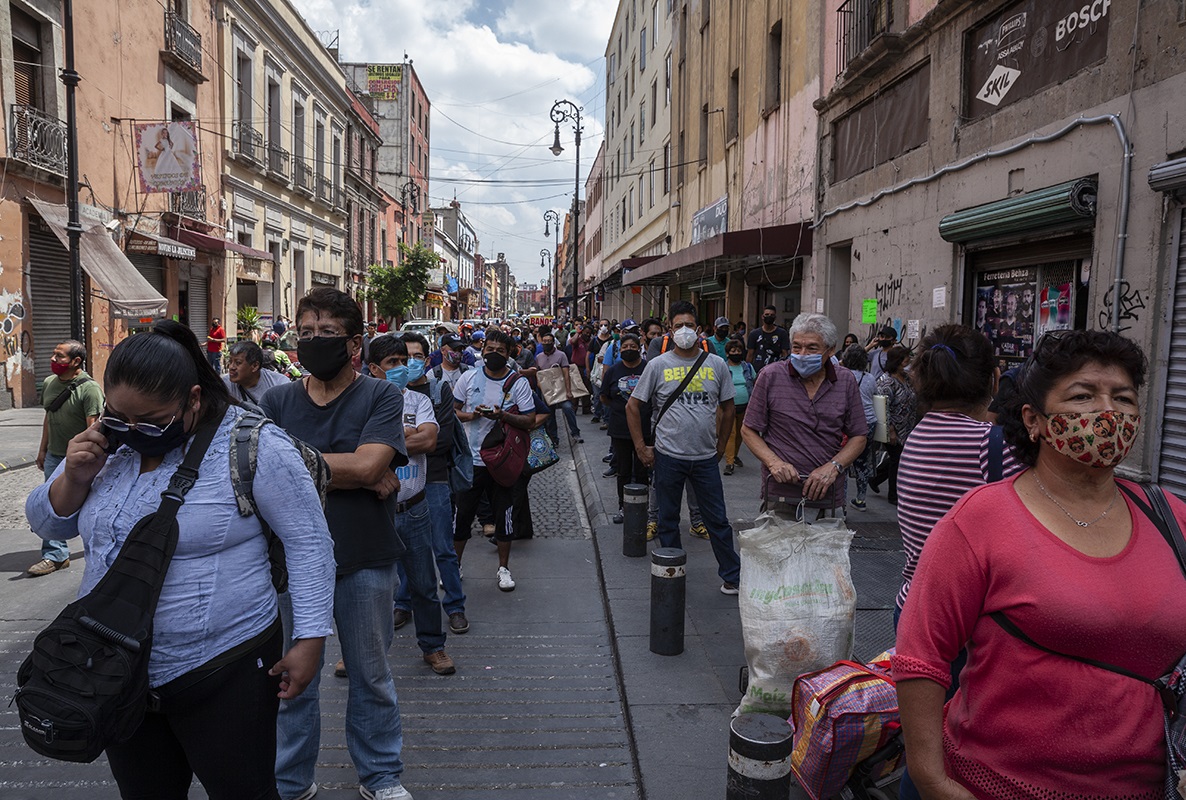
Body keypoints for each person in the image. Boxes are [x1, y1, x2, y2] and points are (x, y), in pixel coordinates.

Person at [26, 321, 334, 798]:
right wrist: (75, 475)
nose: (133, 431)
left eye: (151, 421)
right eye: (119, 417)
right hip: (115, 666)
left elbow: (309, 544)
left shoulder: (254, 445)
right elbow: (49, 524)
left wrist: (309, 639)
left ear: (192, 399)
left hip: (224, 663)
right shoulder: (108, 443)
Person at [893, 329, 1186, 800]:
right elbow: (920, 656)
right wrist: (931, 778)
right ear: (1035, 420)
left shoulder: (1171, 517)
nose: (1107, 412)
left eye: (1123, 398)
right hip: (998, 784)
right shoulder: (980, 520)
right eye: (1083, 396)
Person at [261, 287, 413, 800]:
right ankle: (290, 782)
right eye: (306, 331)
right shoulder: (277, 400)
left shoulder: (380, 396)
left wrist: (302, 462)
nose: (314, 340)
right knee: (292, 679)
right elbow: (259, 469)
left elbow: (370, 466)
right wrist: (354, 469)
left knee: (371, 676)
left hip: (364, 555)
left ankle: (381, 776)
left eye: (327, 332)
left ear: (353, 343)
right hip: (289, 562)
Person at [627, 301, 740, 595]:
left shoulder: (716, 365)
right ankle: (671, 575)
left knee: (718, 521)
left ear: (699, 329)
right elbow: (633, 406)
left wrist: (720, 445)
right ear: (670, 330)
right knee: (667, 521)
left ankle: (733, 576)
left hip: (705, 459)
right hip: (668, 457)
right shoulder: (658, 365)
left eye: (689, 325)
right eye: (679, 326)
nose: (685, 330)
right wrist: (641, 448)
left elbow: (729, 408)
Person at [365, 334, 455, 677]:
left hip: (414, 508)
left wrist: (379, 445)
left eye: (405, 361)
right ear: (374, 369)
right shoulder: (361, 402)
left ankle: (433, 646)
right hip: (374, 511)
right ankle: (361, 650)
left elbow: (429, 439)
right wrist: (404, 437)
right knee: (369, 587)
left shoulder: (419, 400)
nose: (403, 368)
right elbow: (352, 445)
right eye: (393, 363)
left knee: (424, 585)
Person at [741, 313, 868, 515]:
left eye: (812, 348)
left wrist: (833, 467)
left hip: (827, 492)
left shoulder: (845, 380)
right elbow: (748, 430)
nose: (802, 354)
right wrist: (774, 463)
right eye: (796, 347)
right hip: (780, 493)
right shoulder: (770, 376)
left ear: (830, 350)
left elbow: (859, 436)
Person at [452, 328, 536, 591]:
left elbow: (530, 419)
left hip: (502, 462)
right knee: (462, 517)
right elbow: (453, 411)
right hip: (471, 461)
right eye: (490, 349)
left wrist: (503, 416)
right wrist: (472, 416)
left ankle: (503, 568)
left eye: (500, 350)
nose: (494, 354)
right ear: (483, 350)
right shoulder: (468, 378)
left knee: (504, 516)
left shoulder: (518, 383)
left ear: (509, 353)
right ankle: (455, 566)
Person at [406, 332, 468, 635]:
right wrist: (417, 436)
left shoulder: (439, 389)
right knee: (403, 548)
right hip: (401, 481)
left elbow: (439, 441)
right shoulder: (389, 392)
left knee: (443, 547)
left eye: (417, 356)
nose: (411, 362)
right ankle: (402, 603)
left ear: (427, 358)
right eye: (405, 357)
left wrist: (401, 439)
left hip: (434, 479)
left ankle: (455, 606)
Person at [27, 339, 104, 577]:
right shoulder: (49, 383)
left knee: (89, 504)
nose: (53, 359)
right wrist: (43, 449)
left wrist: (92, 460)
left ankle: (100, 546)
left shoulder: (89, 389)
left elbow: (94, 427)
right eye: (53, 354)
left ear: (76, 361)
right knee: (52, 505)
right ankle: (55, 555)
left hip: (80, 460)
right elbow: (49, 417)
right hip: (55, 456)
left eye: (59, 356)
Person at [600, 333, 649, 523]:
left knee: (643, 470)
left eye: (632, 346)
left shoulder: (648, 368)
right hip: (620, 428)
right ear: (619, 350)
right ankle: (623, 506)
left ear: (639, 348)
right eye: (625, 347)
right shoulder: (613, 371)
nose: (629, 350)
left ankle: (644, 507)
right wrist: (620, 408)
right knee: (623, 470)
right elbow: (604, 396)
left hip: (645, 427)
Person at [870, 345, 920, 505]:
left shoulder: (906, 378)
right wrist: (890, 430)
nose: (908, 362)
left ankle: (875, 477)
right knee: (897, 459)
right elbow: (883, 407)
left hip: (907, 426)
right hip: (893, 428)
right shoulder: (887, 382)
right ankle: (893, 494)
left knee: (897, 458)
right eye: (905, 359)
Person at [839, 344, 878, 511]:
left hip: (848, 424)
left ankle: (841, 503)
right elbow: (875, 396)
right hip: (869, 422)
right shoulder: (870, 378)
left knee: (843, 462)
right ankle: (861, 499)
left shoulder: (842, 376)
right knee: (862, 462)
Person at [535, 330, 583, 444]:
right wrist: (540, 386)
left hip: (561, 389)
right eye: (544, 341)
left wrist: (568, 391)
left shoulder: (561, 355)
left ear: (553, 343)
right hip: (547, 391)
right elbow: (538, 374)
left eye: (549, 341)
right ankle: (554, 438)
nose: (547, 343)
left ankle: (575, 433)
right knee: (549, 415)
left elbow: (566, 373)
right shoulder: (539, 357)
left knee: (568, 408)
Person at [722, 337, 754, 476]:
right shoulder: (723, 367)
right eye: (733, 351)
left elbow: (754, 381)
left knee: (741, 434)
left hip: (745, 406)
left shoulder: (747, 367)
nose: (736, 353)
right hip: (728, 406)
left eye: (739, 350)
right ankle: (729, 463)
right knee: (731, 433)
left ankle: (734, 455)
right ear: (727, 353)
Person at [224, 340, 290, 405]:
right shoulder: (224, 385)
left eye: (238, 362)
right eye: (230, 361)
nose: (231, 367)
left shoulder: (279, 384)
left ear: (255, 366)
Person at [746, 305, 789, 371]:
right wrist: (748, 371)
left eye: (772, 315)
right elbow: (750, 355)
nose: (769, 316)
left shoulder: (782, 333)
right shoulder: (754, 334)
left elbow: (785, 354)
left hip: (776, 370)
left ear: (775, 317)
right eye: (767, 314)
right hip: (757, 371)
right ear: (762, 316)